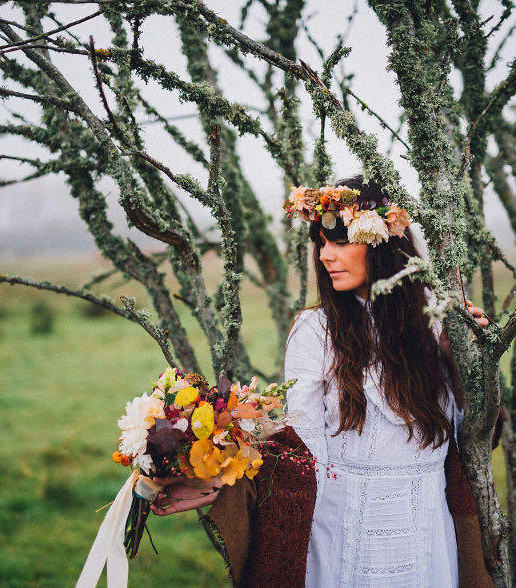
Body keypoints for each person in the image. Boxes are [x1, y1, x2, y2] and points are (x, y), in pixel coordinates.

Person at [151, 176, 491, 587]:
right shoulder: (316, 330)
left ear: (382, 244)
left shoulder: (442, 321)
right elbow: (302, 451)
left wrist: (470, 363)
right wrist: (216, 475)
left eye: (341, 242)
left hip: (426, 528)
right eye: (321, 243)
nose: (327, 256)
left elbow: (474, 433)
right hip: (342, 528)